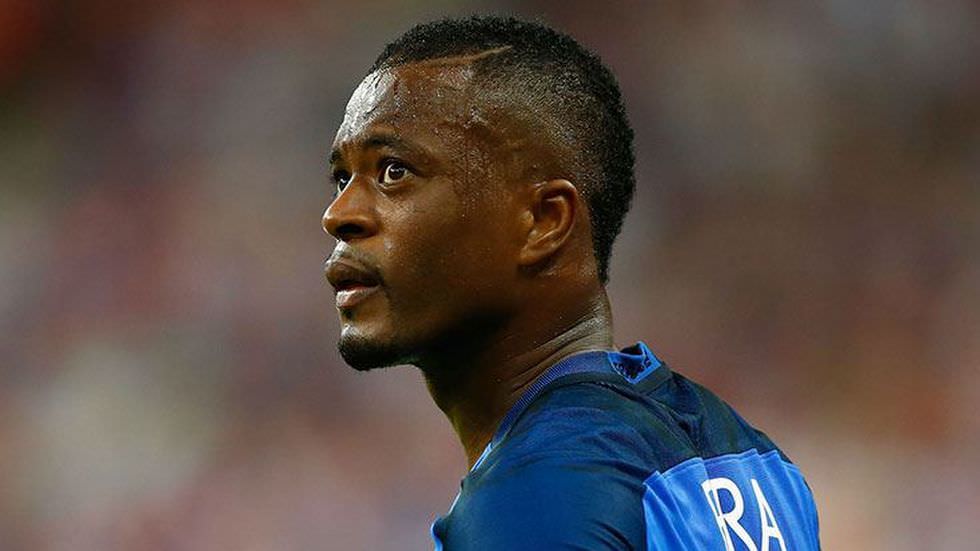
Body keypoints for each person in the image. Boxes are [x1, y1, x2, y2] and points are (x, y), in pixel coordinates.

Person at [322, 15, 820, 550]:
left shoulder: (536, 493)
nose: (339, 214)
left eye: (393, 171)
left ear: (544, 221)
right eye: (342, 178)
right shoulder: (754, 459)